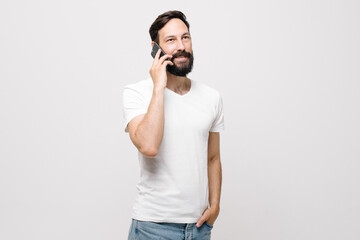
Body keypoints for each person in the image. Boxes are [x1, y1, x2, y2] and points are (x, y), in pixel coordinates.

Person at [123, 10, 224, 240]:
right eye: (170, 40)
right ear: (155, 48)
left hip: (199, 228)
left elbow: (213, 157)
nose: (181, 46)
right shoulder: (136, 93)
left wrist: (215, 205)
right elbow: (149, 146)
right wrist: (159, 87)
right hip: (153, 228)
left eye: (185, 37)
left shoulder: (211, 97)